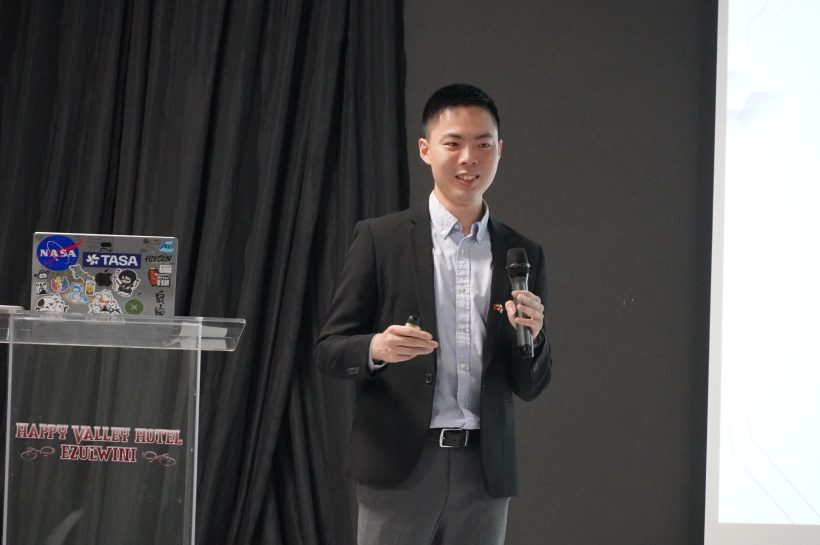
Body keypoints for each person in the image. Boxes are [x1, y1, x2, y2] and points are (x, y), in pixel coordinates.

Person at [316, 83, 552, 545]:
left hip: (484, 472)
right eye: (453, 143)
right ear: (426, 150)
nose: (469, 158)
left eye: (483, 144)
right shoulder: (381, 239)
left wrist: (535, 337)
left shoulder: (522, 254)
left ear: (500, 150)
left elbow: (531, 385)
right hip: (400, 465)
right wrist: (377, 348)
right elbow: (329, 351)